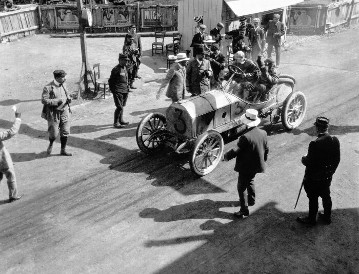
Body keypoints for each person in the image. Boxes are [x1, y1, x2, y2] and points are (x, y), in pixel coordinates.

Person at [223, 109, 269, 218]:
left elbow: (235, 151)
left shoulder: (245, 137)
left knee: (241, 187)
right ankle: (251, 200)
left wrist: (225, 157)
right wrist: (264, 161)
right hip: (258, 165)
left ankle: (244, 210)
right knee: (251, 180)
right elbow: (266, 149)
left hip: (246, 167)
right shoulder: (263, 133)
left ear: (246, 122)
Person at [297, 117, 340, 226]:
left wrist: (304, 158)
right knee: (326, 196)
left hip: (314, 179)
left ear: (317, 128)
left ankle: (312, 220)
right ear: (327, 127)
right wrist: (331, 172)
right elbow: (337, 160)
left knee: (313, 198)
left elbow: (309, 162)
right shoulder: (334, 140)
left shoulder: (315, 144)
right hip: (326, 177)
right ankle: (327, 216)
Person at [41, 69, 72, 156]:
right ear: (57, 78)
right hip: (53, 113)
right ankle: (51, 143)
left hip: (64, 111)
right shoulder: (48, 87)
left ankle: (63, 150)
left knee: (65, 131)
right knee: (53, 133)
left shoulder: (64, 84)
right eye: (63, 77)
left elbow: (67, 94)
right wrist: (57, 101)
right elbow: (44, 100)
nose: (65, 78)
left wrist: (69, 98)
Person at [0, 109, 23, 203]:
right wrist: (18, 119)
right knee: (10, 174)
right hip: (1, 158)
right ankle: (13, 195)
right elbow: (11, 132)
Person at [108, 54, 131, 129]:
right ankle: (116, 123)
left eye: (127, 61)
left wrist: (128, 87)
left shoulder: (125, 68)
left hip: (125, 90)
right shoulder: (115, 69)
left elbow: (126, 78)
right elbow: (110, 81)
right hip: (118, 91)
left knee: (122, 106)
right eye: (125, 60)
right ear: (120, 60)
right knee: (119, 107)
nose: (126, 62)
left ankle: (120, 120)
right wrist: (113, 90)